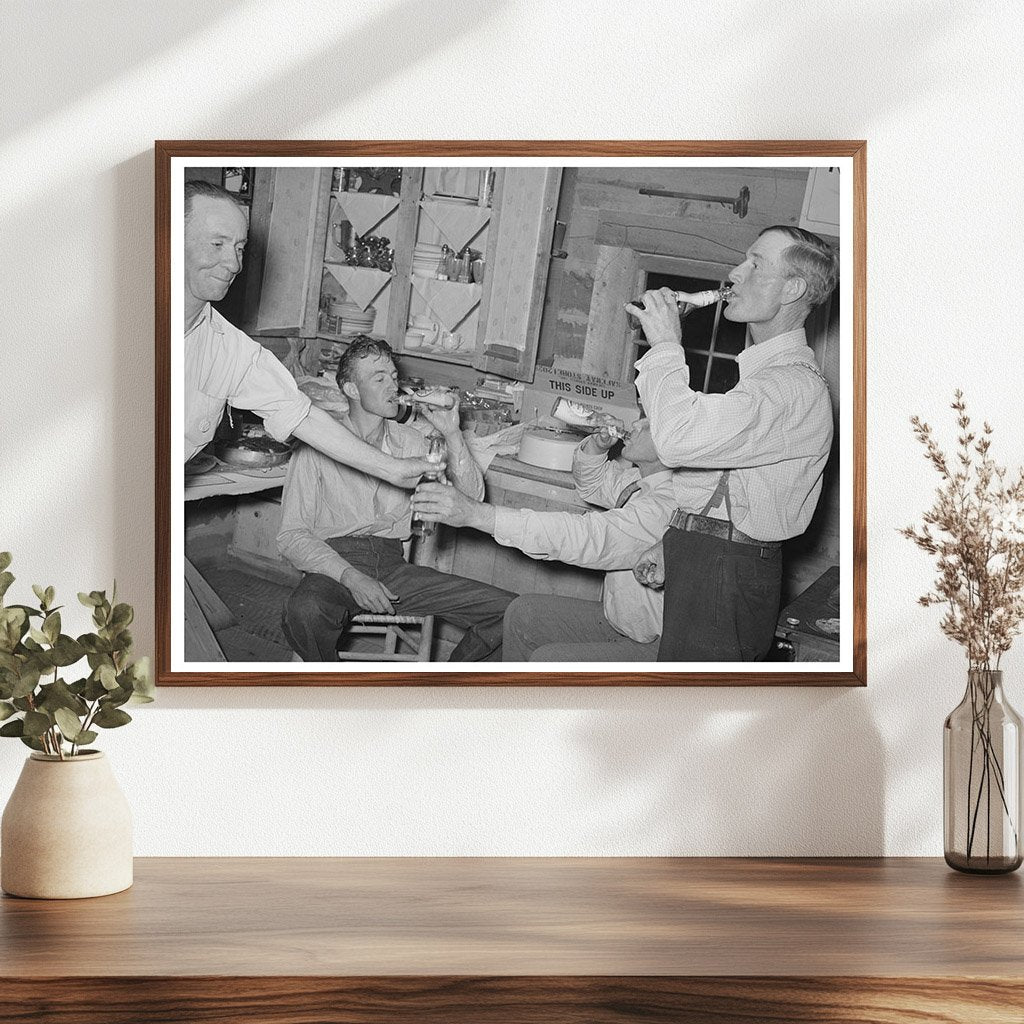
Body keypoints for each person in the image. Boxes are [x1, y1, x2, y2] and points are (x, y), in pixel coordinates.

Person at [626, 224, 839, 662]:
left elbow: (676, 439)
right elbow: (732, 483)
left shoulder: (792, 387)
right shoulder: (764, 378)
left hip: (728, 570)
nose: (734, 273)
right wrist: (678, 540)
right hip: (708, 557)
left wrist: (667, 345)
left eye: (755, 264)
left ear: (792, 289)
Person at [277, 337, 515, 662]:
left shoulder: (413, 442)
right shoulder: (318, 445)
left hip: (393, 569)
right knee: (304, 611)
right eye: (379, 378)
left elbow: (471, 498)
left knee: (510, 611)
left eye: (393, 376)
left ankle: (439, 691)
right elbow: (291, 536)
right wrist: (351, 577)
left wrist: (451, 433)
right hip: (333, 567)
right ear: (351, 390)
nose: (394, 386)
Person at [183, 179, 431, 488]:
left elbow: (302, 416)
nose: (234, 263)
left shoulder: (230, 350)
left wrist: (390, 468)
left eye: (239, 248)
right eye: (217, 244)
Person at [411, 417, 681, 662]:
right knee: (522, 612)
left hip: (658, 644)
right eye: (640, 419)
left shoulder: (665, 505)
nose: (635, 425)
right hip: (620, 621)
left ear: (670, 446)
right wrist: (596, 449)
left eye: (648, 426)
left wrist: (479, 515)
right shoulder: (640, 480)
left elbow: (588, 537)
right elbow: (594, 484)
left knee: (548, 660)